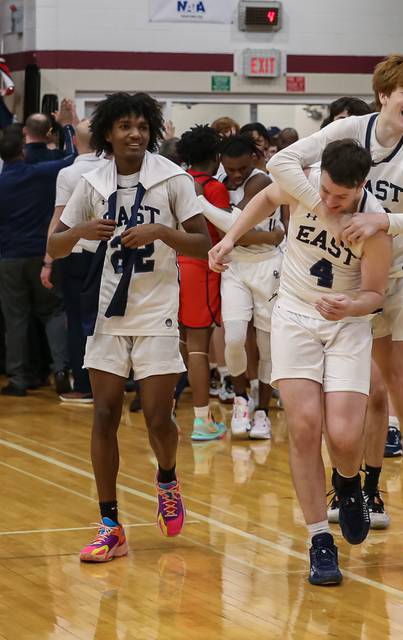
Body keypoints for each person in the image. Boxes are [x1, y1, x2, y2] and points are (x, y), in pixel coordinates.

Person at [267, 55, 403, 568]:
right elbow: (280, 166)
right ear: (383, 96)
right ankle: (358, 490)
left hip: (400, 271)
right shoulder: (348, 131)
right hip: (347, 278)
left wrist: (378, 220)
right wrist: (325, 205)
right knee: (360, 402)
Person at [209, 139, 393, 584]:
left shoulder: (374, 226)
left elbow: (375, 295)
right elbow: (266, 197)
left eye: (341, 197)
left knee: (346, 435)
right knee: (306, 427)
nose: (329, 201)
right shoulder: (303, 185)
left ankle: (348, 484)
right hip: (293, 315)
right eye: (326, 190)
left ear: (361, 187)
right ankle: (318, 541)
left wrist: (350, 306)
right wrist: (230, 239)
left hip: (345, 323)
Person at [47, 91, 212, 562]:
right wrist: (78, 232)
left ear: (152, 131)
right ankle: (110, 524)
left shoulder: (173, 179)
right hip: (107, 315)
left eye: (141, 125)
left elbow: (201, 243)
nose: (134, 133)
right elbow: (56, 247)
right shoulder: (92, 182)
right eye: (124, 126)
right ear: (108, 134)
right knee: (104, 415)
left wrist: (162, 232)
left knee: (159, 417)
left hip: (157, 311)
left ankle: (167, 479)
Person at [205, 134, 284, 438]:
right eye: (230, 169)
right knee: (234, 338)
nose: (235, 175)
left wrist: (199, 202)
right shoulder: (221, 177)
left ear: (254, 158)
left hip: (268, 266)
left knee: (267, 347)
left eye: (241, 168)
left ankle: (262, 410)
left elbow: (233, 224)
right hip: (235, 265)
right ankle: (241, 399)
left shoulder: (261, 180)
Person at [0, 103, 77, 397]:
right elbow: (73, 158)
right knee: (53, 312)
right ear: (22, 150)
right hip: (43, 254)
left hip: (9, 258)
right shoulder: (40, 173)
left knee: (15, 319)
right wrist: (67, 126)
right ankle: (59, 368)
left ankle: (18, 378)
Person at [45, 119, 110, 403]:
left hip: (76, 254)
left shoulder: (68, 173)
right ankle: (118, 380)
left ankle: (84, 385)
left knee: (76, 319)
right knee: (110, 317)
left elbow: (59, 218)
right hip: (108, 252)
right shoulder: (114, 169)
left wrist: (48, 259)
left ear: (74, 142)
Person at [174, 125, 229, 441]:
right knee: (198, 348)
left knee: (178, 344)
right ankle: (201, 421)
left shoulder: (177, 182)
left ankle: (167, 411)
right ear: (217, 156)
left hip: (175, 266)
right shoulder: (212, 187)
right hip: (201, 268)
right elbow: (225, 233)